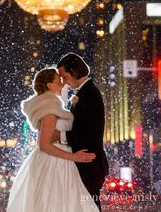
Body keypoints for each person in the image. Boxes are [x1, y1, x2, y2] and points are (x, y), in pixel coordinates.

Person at [7, 67, 99, 212]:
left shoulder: (50, 105)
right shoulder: (49, 108)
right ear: (49, 85)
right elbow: (43, 144)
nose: (63, 84)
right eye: (58, 81)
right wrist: (74, 156)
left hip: (56, 160)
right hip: (55, 163)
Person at [55, 53, 109, 211]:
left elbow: (88, 133)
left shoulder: (89, 94)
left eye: (65, 77)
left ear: (74, 72)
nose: (64, 82)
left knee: (89, 206)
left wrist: (59, 136)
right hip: (87, 163)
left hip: (89, 163)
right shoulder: (84, 92)